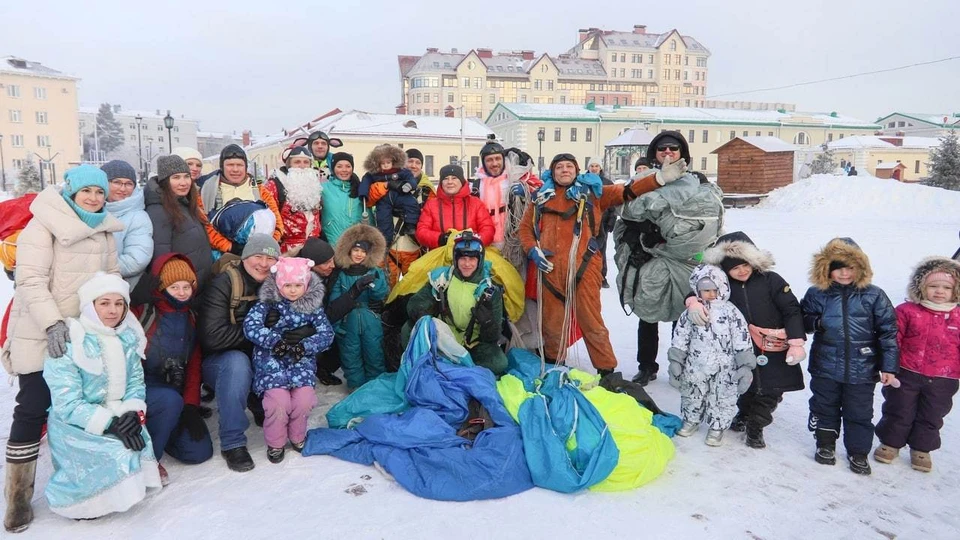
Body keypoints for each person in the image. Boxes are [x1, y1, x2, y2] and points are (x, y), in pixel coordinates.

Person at [2, 165, 123, 534]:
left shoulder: (104, 231)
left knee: (77, 408)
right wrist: (53, 322)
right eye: (87, 191)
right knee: (33, 407)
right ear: (70, 191)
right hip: (43, 332)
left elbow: (112, 278)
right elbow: (30, 280)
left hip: (85, 335)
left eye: (99, 193)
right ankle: (18, 498)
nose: (94, 198)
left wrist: (114, 318)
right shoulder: (43, 225)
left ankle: (82, 483)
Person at [519, 153, 681, 375]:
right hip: (550, 271)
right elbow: (525, 229)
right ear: (552, 172)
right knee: (552, 323)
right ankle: (553, 364)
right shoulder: (540, 198)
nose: (564, 170)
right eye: (559, 167)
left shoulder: (592, 194)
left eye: (569, 166)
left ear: (577, 171)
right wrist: (532, 250)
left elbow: (626, 191)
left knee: (591, 321)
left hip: (583, 269)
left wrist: (659, 179)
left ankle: (606, 369)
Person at [42, 272, 161, 520]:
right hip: (75, 424)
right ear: (90, 306)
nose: (113, 310)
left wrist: (132, 413)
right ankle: (83, 504)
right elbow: (67, 404)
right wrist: (110, 423)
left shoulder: (128, 337)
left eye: (119, 304)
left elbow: (136, 382)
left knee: (135, 440)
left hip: (116, 409)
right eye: (104, 303)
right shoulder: (71, 342)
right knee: (118, 452)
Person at [614, 133, 723, 386]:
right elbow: (628, 210)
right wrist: (646, 234)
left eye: (673, 148)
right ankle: (646, 366)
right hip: (650, 258)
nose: (667, 153)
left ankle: (682, 364)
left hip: (685, 259)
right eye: (661, 149)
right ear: (654, 153)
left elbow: (706, 214)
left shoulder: (697, 180)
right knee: (647, 312)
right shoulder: (645, 181)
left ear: (681, 152)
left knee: (684, 313)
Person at [692, 231, 807, 449]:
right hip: (741, 346)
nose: (742, 271)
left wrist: (796, 341)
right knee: (746, 383)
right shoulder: (723, 286)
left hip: (773, 346)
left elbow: (791, 310)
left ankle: (756, 425)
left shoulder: (771, 280)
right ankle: (744, 413)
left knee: (772, 389)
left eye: (745, 265)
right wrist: (692, 301)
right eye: (735, 268)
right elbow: (699, 291)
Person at [801, 237, 899, 475]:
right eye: (838, 268)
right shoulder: (817, 293)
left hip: (863, 367)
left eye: (850, 268)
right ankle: (825, 445)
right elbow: (802, 320)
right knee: (825, 406)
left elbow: (888, 332)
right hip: (826, 364)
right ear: (827, 269)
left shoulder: (874, 295)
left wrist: (889, 366)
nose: (844, 274)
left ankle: (858, 452)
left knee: (860, 411)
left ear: (860, 268)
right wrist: (817, 322)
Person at [198, 233, 281, 472]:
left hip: (253, 355)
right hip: (219, 362)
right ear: (245, 257)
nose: (264, 264)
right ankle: (233, 442)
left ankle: (262, 405)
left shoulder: (276, 285)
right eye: (257, 256)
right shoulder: (224, 284)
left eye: (270, 258)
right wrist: (259, 331)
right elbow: (212, 337)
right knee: (237, 363)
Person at [243, 257, 334, 463]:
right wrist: (274, 341)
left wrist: (306, 345)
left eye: (298, 285)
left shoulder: (313, 307)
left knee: (303, 400)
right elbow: (251, 327)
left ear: (306, 285)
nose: (292, 290)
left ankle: (297, 436)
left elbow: (327, 334)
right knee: (278, 403)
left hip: (300, 362)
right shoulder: (265, 304)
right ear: (278, 284)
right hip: (271, 362)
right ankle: (276, 442)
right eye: (287, 285)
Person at [875, 257, 960, 472]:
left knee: (932, 414)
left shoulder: (958, 316)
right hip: (906, 373)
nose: (939, 291)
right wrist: (889, 367)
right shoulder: (907, 311)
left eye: (946, 287)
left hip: (944, 377)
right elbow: (893, 340)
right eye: (933, 286)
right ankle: (891, 443)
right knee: (898, 409)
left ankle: (922, 448)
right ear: (921, 287)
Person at [136, 254, 213, 484]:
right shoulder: (144, 313)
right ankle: (148, 460)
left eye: (186, 286)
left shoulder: (190, 317)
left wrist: (191, 406)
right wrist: (131, 300)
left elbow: (193, 367)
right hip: (143, 392)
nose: (181, 292)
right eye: (173, 286)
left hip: (175, 396)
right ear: (162, 287)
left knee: (199, 452)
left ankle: (161, 430)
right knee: (169, 400)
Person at [669, 264, 756, 446]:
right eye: (704, 290)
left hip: (725, 366)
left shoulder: (731, 312)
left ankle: (717, 426)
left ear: (721, 288)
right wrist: (676, 361)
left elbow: (741, 337)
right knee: (692, 392)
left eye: (713, 290)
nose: (709, 294)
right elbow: (681, 336)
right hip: (696, 364)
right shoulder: (690, 313)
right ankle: (691, 420)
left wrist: (746, 365)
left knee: (722, 396)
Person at [406, 231, 508, 375]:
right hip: (443, 338)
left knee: (499, 362)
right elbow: (414, 303)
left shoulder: (490, 291)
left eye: (472, 259)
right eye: (463, 258)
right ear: (455, 258)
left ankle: (447, 365)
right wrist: (424, 311)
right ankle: (453, 366)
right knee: (408, 329)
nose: (467, 264)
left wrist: (488, 323)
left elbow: (493, 337)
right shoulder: (441, 279)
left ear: (480, 260)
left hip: (473, 344)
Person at [327, 224, 390, 389]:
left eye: (363, 251)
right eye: (356, 250)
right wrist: (337, 326)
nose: (359, 254)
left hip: (371, 319)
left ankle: (375, 386)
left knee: (374, 352)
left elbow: (380, 295)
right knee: (350, 355)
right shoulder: (342, 274)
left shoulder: (374, 271)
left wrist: (376, 283)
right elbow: (335, 301)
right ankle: (356, 387)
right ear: (348, 251)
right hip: (348, 321)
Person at [143, 155, 215, 292]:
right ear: (165, 181)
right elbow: (161, 257)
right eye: (176, 177)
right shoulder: (159, 210)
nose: (184, 183)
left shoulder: (184, 204)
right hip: (181, 291)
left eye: (186, 176)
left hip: (195, 287)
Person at [199, 144, 283, 256]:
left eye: (239, 165)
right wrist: (230, 247)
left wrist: (265, 245)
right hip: (222, 255)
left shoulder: (259, 191)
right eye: (230, 165)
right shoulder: (207, 191)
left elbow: (277, 224)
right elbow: (204, 226)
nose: (235, 169)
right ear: (222, 167)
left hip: (258, 253)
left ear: (246, 167)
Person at [357, 145, 421, 286]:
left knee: (412, 283)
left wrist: (410, 186)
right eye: (411, 161)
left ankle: (411, 225)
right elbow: (368, 191)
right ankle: (385, 238)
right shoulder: (376, 176)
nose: (413, 165)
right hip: (392, 248)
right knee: (388, 282)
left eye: (418, 162)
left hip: (413, 246)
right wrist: (368, 191)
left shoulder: (426, 187)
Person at [416, 164, 495, 250]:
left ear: (461, 181)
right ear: (441, 182)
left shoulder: (476, 203)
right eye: (445, 179)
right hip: (440, 253)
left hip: (472, 253)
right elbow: (421, 232)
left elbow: (488, 229)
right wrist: (441, 239)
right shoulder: (431, 205)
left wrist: (473, 241)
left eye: (454, 178)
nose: (450, 182)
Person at [102, 160, 153, 289]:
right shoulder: (90, 210)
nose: (123, 189)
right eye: (117, 182)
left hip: (119, 288)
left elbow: (136, 260)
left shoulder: (138, 216)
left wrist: (95, 266)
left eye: (129, 184)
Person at [265, 146, 323, 255]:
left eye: (306, 162)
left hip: (313, 246)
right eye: (297, 162)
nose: (302, 166)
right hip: (287, 249)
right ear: (288, 164)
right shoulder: (275, 185)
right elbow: (268, 216)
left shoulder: (314, 184)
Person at [320, 152, 368, 247]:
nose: (344, 170)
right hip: (332, 242)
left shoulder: (360, 188)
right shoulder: (323, 188)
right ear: (333, 168)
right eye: (339, 166)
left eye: (348, 166)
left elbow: (368, 215)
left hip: (356, 245)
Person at [587, 158, 617, 289]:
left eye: (596, 166)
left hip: (602, 222)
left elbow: (613, 202)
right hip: (586, 221)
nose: (594, 168)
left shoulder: (607, 183)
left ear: (600, 168)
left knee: (601, 250)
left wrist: (612, 219)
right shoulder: (583, 182)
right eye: (592, 166)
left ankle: (602, 276)